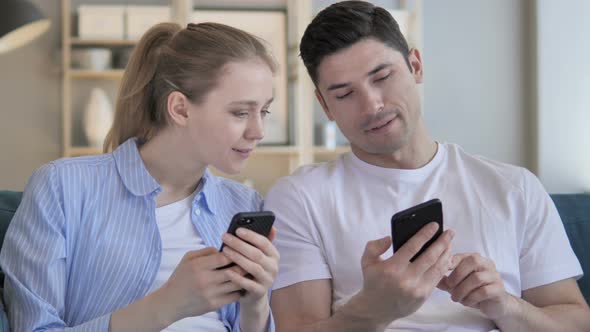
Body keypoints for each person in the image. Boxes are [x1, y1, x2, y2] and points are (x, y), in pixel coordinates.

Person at [265, 1, 590, 331]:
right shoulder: (299, 197)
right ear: (325, 106)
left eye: (382, 77)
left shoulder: (514, 187)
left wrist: (505, 305)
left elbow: (577, 322)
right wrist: (373, 309)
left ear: (415, 66)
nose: (372, 105)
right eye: (345, 94)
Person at [0, 22, 279, 332]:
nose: (258, 132)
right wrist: (166, 305)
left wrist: (255, 304)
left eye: (264, 111)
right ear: (180, 109)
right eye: (241, 112)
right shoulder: (63, 187)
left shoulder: (242, 202)